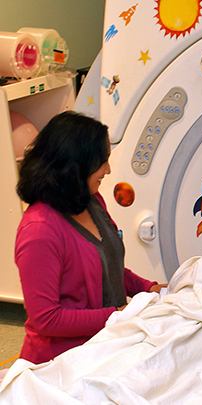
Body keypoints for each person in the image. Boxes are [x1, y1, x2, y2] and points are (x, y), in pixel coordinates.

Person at [15, 111, 166, 364]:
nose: (108, 170)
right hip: (62, 361)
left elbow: (108, 265)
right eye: (102, 161)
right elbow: (46, 319)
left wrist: (146, 287)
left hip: (106, 342)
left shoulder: (92, 201)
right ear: (75, 164)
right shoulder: (39, 231)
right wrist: (117, 314)